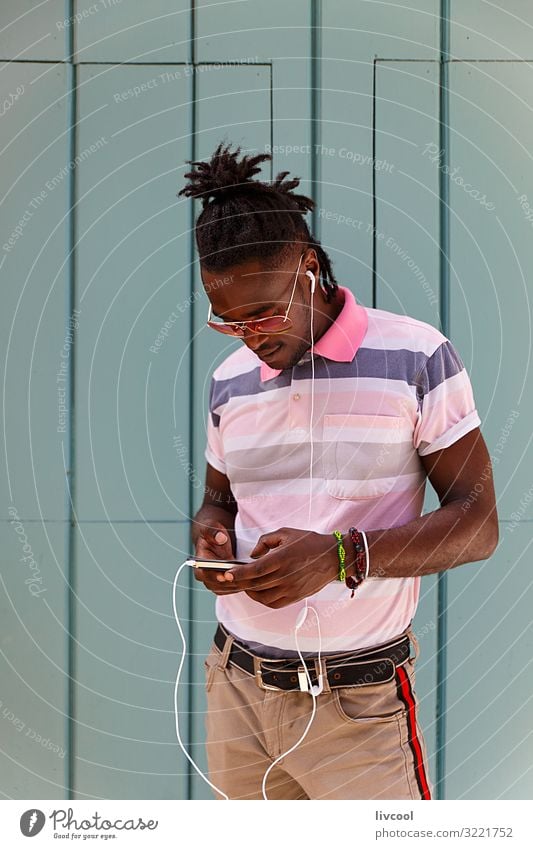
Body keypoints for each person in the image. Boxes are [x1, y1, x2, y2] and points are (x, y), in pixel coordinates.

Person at [178, 141, 499, 801]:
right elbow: (219, 498)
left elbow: (477, 522)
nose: (251, 336)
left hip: (354, 704)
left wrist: (339, 556)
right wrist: (210, 533)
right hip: (235, 689)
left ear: (309, 268)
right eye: (228, 321)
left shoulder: (415, 355)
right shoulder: (228, 379)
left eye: (263, 311)